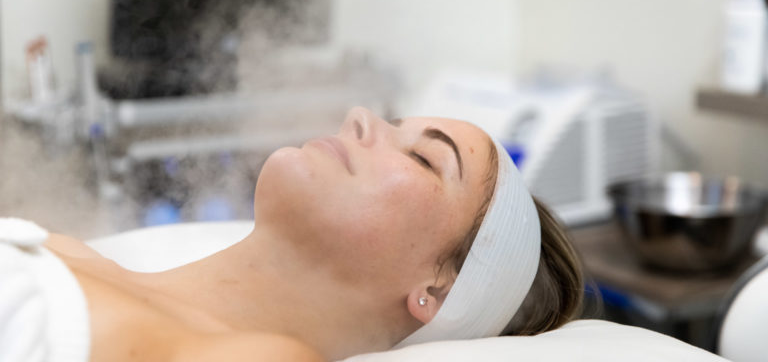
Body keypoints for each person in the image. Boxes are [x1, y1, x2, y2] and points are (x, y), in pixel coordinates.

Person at [0, 107, 583, 362]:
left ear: (440, 289)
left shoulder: (262, 358)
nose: (359, 117)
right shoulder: (62, 249)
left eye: (427, 159)